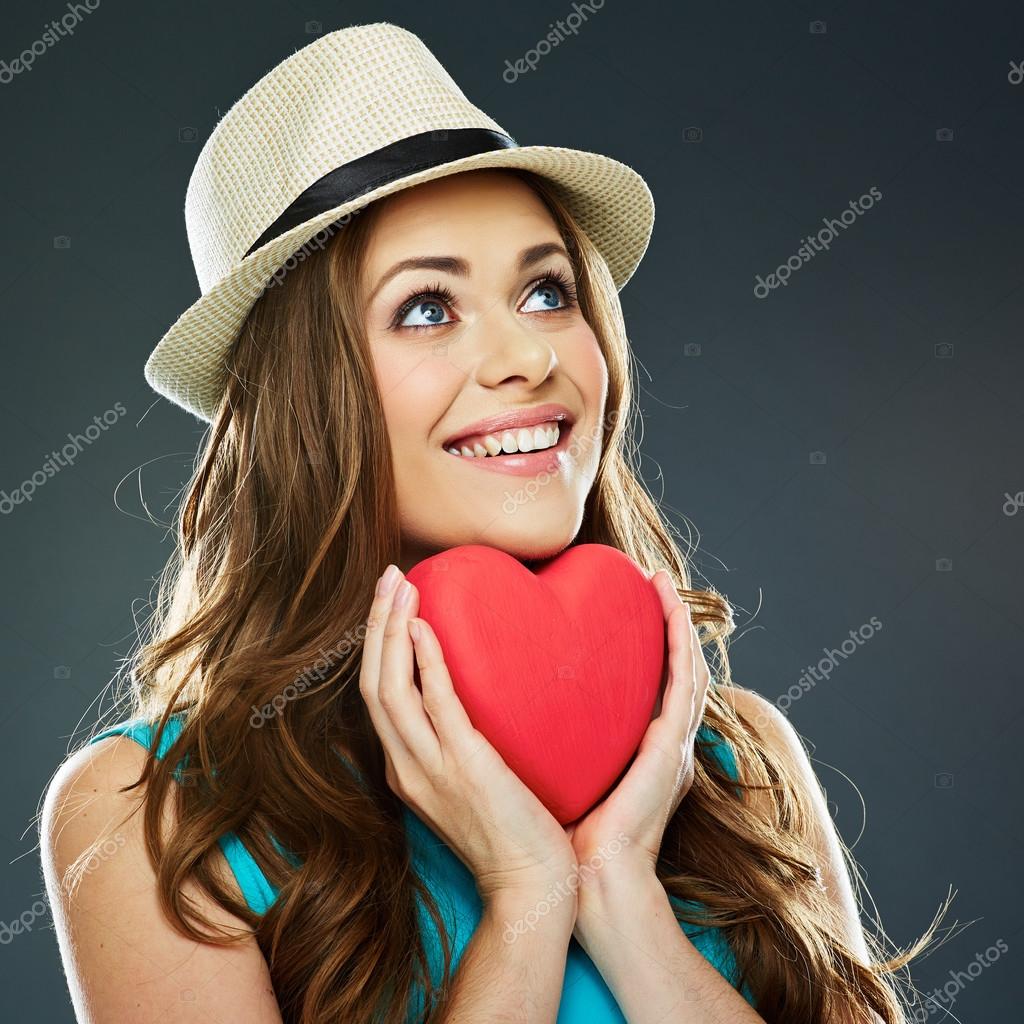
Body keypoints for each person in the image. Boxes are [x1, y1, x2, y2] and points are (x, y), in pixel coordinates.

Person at [39, 23, 942, 1024]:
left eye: (546, 291)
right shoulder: (149, 816)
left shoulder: (741, 764)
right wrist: (523, 896)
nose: (527, 354)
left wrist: (620, 894)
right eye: (427, 307)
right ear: (303, 395)